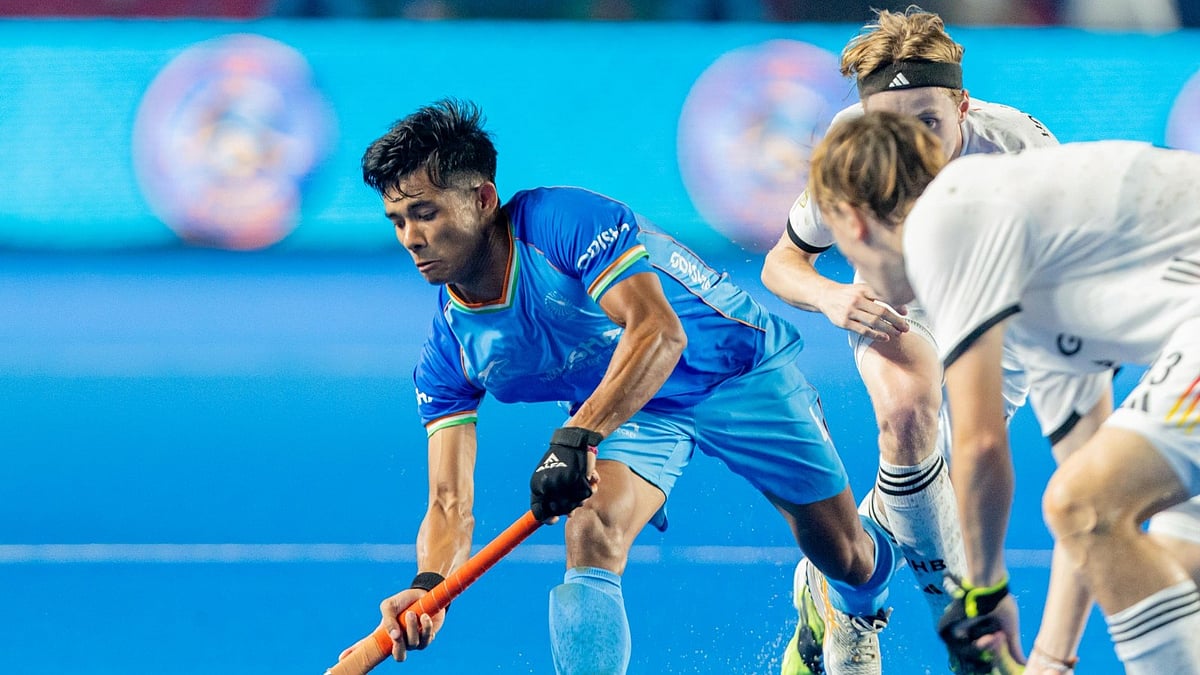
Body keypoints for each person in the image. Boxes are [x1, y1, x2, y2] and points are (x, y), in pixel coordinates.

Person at [353, 98, 898, 675]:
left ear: (483, 199)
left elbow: (659, 334)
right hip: (632, 409)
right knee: (591, 533)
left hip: (737, 371)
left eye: (425, 213)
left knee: (847, 556)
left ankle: (847, 609)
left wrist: (577, 435)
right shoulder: (450, 349)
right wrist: (429, 585)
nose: (411, 237)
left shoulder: (562, 222)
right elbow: (448, 502)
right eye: (398, 221)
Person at [759, 8, 1106, 673]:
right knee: (908, 414)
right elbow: (784, 261)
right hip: (898, 299)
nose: (912, 147)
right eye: (893, 127)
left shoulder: (1024, 157)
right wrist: (836, 297)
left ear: (964, 106)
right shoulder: (849, 149)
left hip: (1008, 303)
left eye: (929, 123)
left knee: (957, 471)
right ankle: (926, 631)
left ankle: (833, 587)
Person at [807, 109, 1200, 674]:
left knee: (1086, 506)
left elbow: (981, 443)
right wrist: (1049, 661)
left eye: (842, 252)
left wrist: (983, 595)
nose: (853, 270)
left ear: (851, 219)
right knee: (1176, 556)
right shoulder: (1046, 278)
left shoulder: (949, 219)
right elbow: (1085, 501)